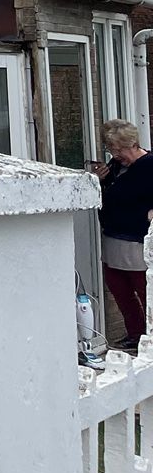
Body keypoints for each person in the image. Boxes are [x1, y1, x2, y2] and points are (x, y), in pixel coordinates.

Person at [94, 119, 153, 343]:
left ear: (132, 144)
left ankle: (149, 336)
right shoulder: (117, 165)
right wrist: (102, 179)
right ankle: (136, 335)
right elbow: (115, 191)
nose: (115, 154)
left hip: (137, 239)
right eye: (111, 149)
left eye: (118, 149)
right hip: (113, 236)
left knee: (144, 289)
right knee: (119, 288)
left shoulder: (149, 165)